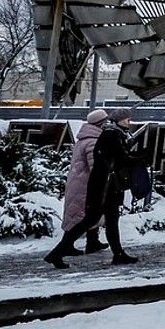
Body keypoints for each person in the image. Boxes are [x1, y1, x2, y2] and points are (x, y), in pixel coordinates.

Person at [43, 108, 141, 268]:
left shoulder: (100, 136)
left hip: (104, 185)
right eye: (126, 119)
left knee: (110, 220)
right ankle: (56, 253)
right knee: (90, 220)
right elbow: (105, 162)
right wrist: (139, 158)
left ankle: (118, 254)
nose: (129, 122)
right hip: (103, 187)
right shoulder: (106, 136)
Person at [59, 109, 110, 255]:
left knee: (87, 213)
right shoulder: (93, 142)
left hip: (79, 182)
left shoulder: (85, 139)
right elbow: (96, 166)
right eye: (105, 122)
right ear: (100, 124)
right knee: (78, 216)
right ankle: (66, 246)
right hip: (85, 185)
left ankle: (92, 242)